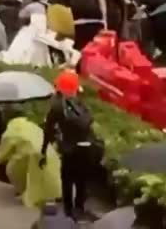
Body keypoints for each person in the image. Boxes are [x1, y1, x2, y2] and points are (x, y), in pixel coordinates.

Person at [41, 69, 100, 220]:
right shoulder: (80, 104)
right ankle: (79, 208)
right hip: (87, 148)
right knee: (81, 180)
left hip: (69, 149)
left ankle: (68, 212)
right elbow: (90, 124)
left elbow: (48, 130)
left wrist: (43, 150)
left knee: (67, 180)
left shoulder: (57, 106)